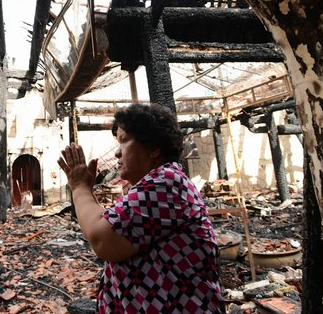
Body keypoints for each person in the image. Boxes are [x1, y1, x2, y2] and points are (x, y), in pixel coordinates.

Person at [58, 103, 223, 313]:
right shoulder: (156, 185)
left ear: (154, 147)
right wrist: (86, 190)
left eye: (124, 141)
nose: (117, 153)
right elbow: (110, 226)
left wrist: (79, 187)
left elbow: (102, 240)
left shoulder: (166, 182)